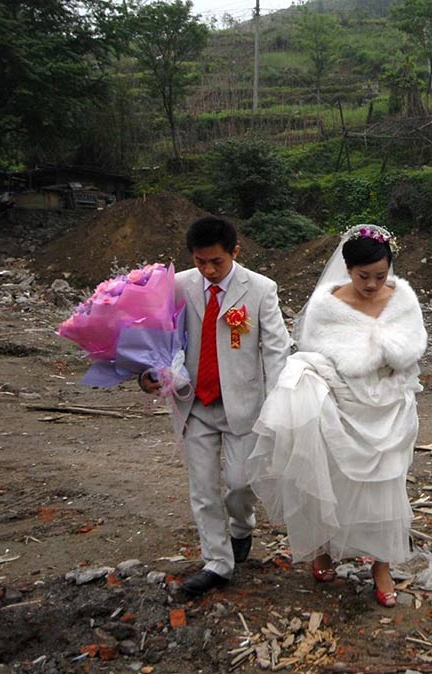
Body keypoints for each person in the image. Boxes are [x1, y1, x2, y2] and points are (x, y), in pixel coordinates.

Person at [247, 224, 427, 608]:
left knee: (386, 487)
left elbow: (412, 346)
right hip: (344, 406)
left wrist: (389, 355)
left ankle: (381, 565)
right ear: (347, 269)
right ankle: (323, 548)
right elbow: (314, 353)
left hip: (389, 409)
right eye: (364, 276)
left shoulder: (403, 299)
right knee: (335, 480)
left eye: (380, 275)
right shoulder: (326, 308)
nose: (373, 284)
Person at [140, 215, 290, 596]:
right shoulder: (177, 286)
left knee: (241, 483)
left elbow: (275, 351)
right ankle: (218, 563)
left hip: (242, 404)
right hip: (194, 404)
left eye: (216, 262)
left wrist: (278, 403)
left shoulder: (260, 289)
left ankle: (242, 526)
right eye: (199, 261)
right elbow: (158, 338)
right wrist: (148, 374)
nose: (207, 270)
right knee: (203, 489)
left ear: (235, 252)